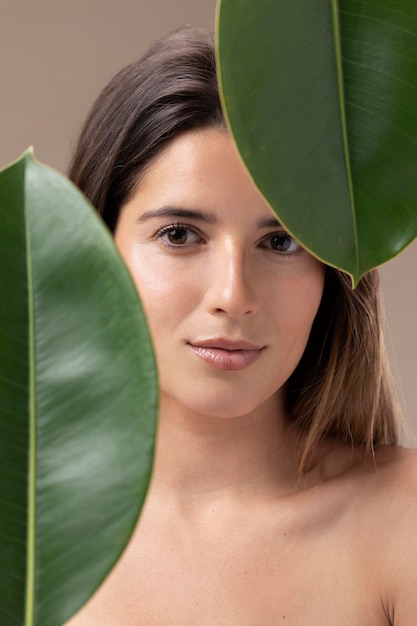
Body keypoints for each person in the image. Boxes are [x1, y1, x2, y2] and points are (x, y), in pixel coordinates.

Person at [65, 27, 417, 626]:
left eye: (280, 241)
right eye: (179, 235)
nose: (233, 295)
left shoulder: (403, 524)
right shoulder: (26, 539)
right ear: (93, 246)